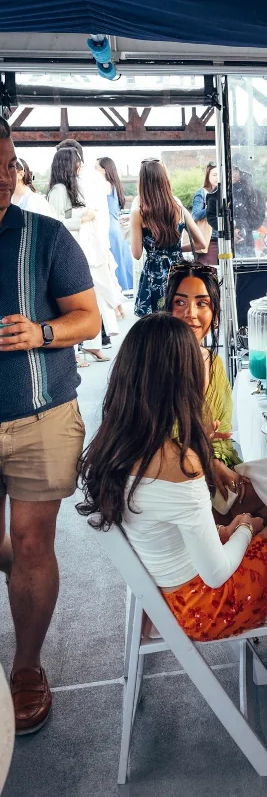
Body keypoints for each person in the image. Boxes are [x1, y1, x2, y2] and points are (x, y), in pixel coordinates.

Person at [78, 313, 267, 720]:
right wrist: (243, 529)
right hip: (203, 604)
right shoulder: (176, 463)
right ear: (179, 378)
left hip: (170, 586)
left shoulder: (118, 442)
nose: (206, 363)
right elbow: (217, 573)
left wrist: (232, 520)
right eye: (199, 359)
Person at [0, 115, 102, 735]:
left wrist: (40, 332)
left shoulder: (46, 236)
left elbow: (88, 320)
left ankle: (28, 665)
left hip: (40, 416)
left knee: (35, 545)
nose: (2, 179)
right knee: (14, 549)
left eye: (7, 165)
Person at [164, 262, 267, 522]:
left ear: (215, 312)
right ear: (167, 308)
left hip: (217, 466)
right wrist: (209, 462)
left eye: (202, 303)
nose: (191, 314)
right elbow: (149, 442)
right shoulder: (156, 365)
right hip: (175, 481)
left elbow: (221, 438)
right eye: (180, 302)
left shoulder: (214, 362)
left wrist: (217, 462)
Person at [47, 148, 112, 363]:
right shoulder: (58, 191)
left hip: (80, 248)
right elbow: (55, 223)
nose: (80, 166)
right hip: (68, 252)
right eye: (77, 162)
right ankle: (76, 350)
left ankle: (91, 345)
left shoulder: (69, 188)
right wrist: (81, 219)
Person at [131, 159, 205, 317]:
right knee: (180, 317)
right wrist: (177, 249)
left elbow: (136, 253)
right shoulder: (178, 207)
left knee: (156, 324)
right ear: (165, 180)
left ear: (142, 182)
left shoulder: (139, 212)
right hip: (178, 271)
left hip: (154, 274)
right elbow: (200, 243)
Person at [96, 157, 134, 294]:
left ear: (104, 170)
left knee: (114, 262)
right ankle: (128, 288)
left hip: (109, 228)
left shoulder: (105, 185)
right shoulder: (115, 184)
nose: (94, 171)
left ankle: (119, 291)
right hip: (117, 226)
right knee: (122, 260)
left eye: (96, 168)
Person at [231, 161, 263, 258]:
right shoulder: (223, 191)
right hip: (226, 243)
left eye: (236, 170)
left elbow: (258, 218)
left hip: (247, 242)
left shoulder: (255, 193)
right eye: (232, 169)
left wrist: (241, 228)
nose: (233, 173)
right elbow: (214, 216)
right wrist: (230, 230)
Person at [191, 161, 219, 265]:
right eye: (214, 175)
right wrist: (211, 208)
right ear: (208, 176)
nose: (217, 178)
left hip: (225, 240)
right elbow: (195, 215)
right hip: (209, 241)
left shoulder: (226, 192)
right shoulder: (202, 193)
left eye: (219, 175)